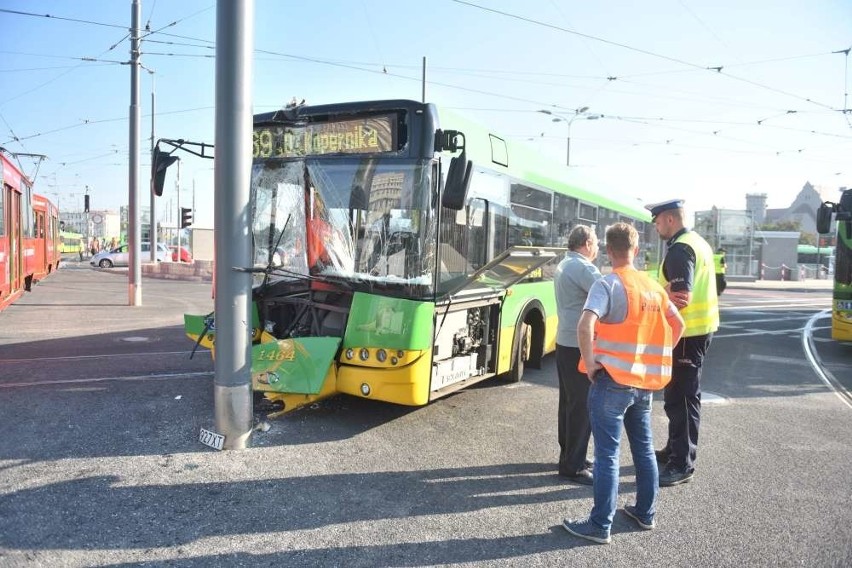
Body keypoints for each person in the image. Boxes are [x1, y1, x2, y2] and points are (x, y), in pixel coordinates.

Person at [562, 222, 685, 545]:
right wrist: (654, 357)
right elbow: (678, 323)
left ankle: (600, 524)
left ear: (607, 248)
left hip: (611, 382)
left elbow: (585, 324)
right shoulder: (654, 287)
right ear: (636, 250)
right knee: (643, 450)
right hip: (642, 384)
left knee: (607, 455)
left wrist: (590, 364)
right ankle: (645, 513)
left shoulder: (608, 284)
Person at [646, 199, 719, 487]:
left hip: (687, 335)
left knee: (683, 399)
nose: (655, 225)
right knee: (678, 395)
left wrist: (653, 297)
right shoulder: (696, 241)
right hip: (698, 331)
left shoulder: (680, 249)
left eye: (657, 220)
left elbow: (681, 296)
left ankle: (682, 465)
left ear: (669, 220)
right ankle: (675, 450)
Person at [553, 225, 602, 485]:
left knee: (569, 404)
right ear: (586, 243)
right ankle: (573, 464)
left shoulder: (565, 264)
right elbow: (608, 292)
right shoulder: (583, 267)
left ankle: (570, 454)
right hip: (579, 345)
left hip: (564, 341)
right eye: (595, 243)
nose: (597, 248)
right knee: (582, 407)